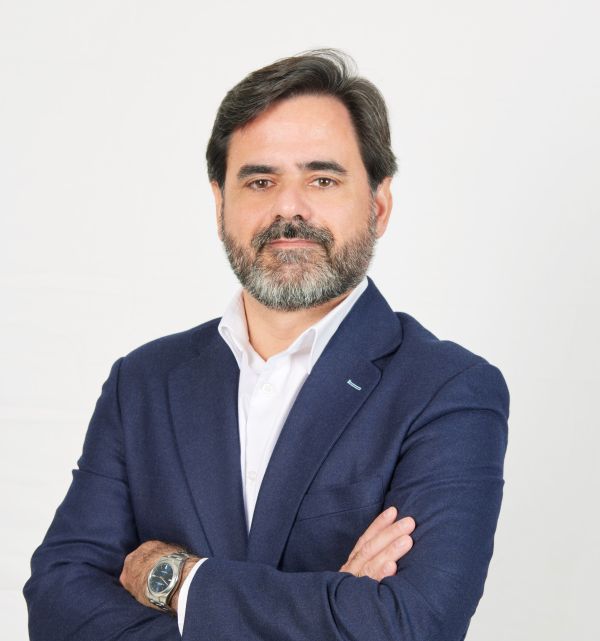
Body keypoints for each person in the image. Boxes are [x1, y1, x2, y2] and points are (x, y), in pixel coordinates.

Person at [23, 48, 510, 641]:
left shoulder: (448, 391)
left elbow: (409, 626)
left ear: (378, 206)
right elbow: (57, 605)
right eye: (260, 181)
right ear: (220, 204)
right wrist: (334, 605)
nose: (288, 208)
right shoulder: (143, 383)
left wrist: (180, 581)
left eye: (322, 179)